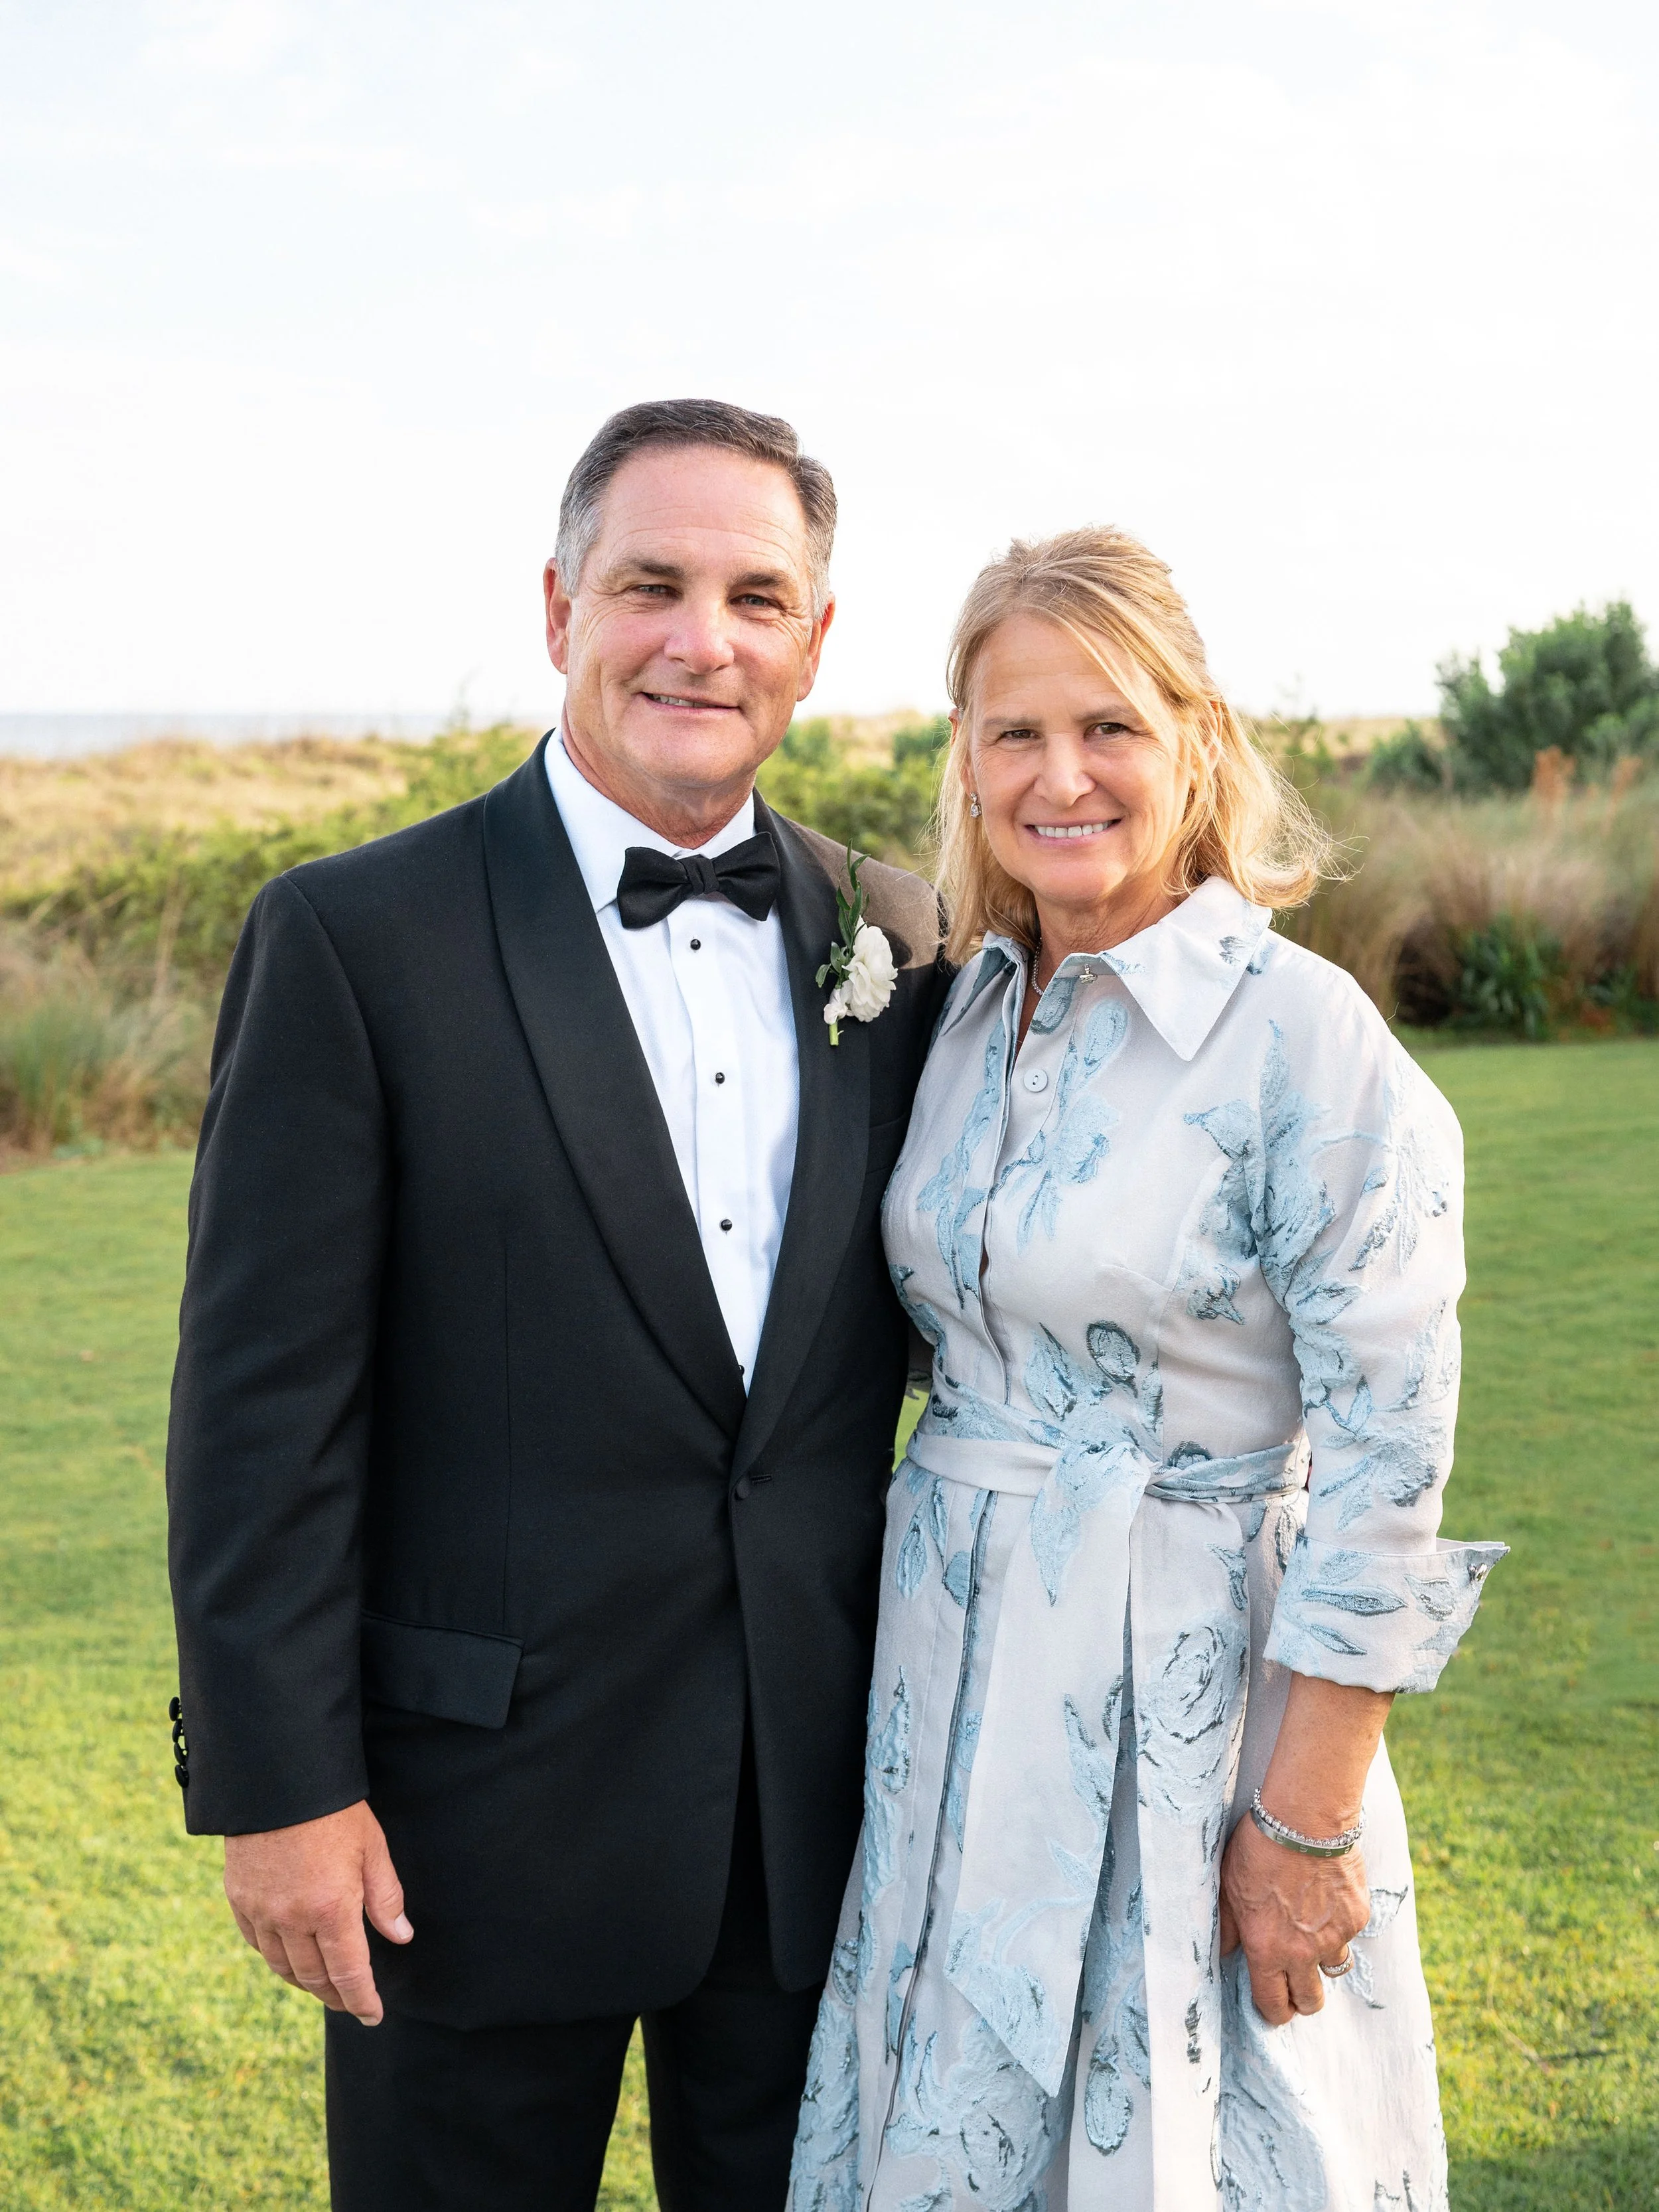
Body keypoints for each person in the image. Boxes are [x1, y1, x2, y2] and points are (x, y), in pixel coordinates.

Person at [165, 398, 950, 2212]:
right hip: (465, 1822)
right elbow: (261, 1413)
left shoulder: (897, 939)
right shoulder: (354, 938)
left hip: (816, 1819)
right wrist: (279, 1785)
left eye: (756, 597)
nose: (702, 641)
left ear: (815, 640)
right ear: (556, 608)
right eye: (650, 585)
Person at [790, 528, 1506, 2210]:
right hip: (948, 1689)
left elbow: (1387, 1465)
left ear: (1196, 734)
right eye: (1015, 733)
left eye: (1107, 724)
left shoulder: (1304, 1040)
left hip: (1190, 1711)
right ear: (964, 759)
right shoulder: (959, 1009)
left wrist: (1303, 1824)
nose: (1061, 777)